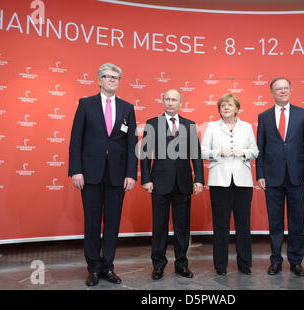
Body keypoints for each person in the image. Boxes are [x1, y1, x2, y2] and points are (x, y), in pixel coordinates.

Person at [68, 63, 138, 286]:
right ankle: (93, 268)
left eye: (115, 77)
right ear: (99, 80)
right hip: (90, 173)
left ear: (119, 81)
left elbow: (131, 144)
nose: (111, 80)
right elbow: (76, 140)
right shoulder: (86, 104)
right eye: (107, 77)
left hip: (118, 175)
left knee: (112, 222)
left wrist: (131, 174)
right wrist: (76, 170)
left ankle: (108, 267)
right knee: (91, 222)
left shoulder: (127, 108)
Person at [256, 77, 304, 277]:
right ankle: (275, 261)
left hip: (297, 176)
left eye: (285, 88)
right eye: (278, 89)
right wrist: (260, 174)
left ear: (290, 90)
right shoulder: (263, 116)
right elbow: (261, 149)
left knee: (296, 222)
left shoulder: (302, 114)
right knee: (275, 223)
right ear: (272, 93)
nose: (282, 91)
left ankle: (296, 262)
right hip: (272, 178)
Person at [140, 89, 204, 280]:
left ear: (180, 102)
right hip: (159, 183)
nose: (170, 102)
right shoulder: (152, 124)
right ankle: (158, 265)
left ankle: (181, 264)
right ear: (162, 101)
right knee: (159, 226)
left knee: (182, 227)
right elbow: (144, 155)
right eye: (167, 99)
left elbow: (197, 155)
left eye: (174, 99)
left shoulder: (190, 125)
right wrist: (146, 179)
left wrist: (199, 178)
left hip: (183, 183)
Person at [201, 94, 259, 276]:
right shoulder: (211, 127)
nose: (226, 108)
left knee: (243, 224)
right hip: (219, 181)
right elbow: (202, 152)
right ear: (219, 109)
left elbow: (255, 151)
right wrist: (219, 152)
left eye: (230, 105)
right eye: (223, 105)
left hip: (243, 182)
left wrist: (243, 152)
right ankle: (220, 265)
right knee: (221, 225)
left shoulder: (247, 127)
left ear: (237, 109)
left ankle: (244, 264)